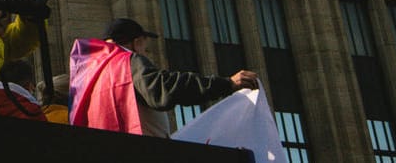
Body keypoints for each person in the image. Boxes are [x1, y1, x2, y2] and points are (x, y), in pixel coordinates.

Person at [70, 17, 258, 138]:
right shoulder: (126, 62)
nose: (146, 51)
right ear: (136, 42)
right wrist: (226, 84)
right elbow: (163, 88)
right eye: (144, 45)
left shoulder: (90, 74)